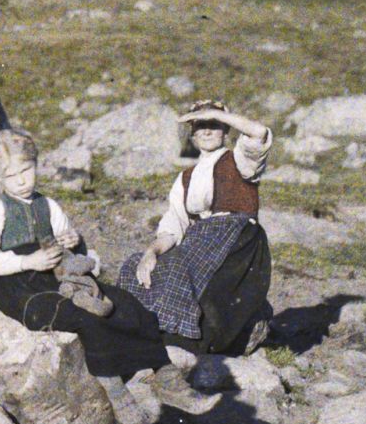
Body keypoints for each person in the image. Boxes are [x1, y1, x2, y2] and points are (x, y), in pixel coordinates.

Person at [0, 131, 218, 424]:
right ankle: (125, 413)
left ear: (36, 165)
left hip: (58, 275)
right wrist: (27, 261)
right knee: (86, 318)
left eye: (26, 170)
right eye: (11, 175)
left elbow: (76, 251)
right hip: (19, 286)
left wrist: (74, 242)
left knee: (127, 304)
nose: (21, 180)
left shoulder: (47, 204)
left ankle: (170, 381)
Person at [117, 101, 274, 357]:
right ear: (193, 133)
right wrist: (151, 253)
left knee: (179, 266)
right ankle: (138, 332)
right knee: (135, 265)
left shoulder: (240, 159)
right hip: (201, 238)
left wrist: (213, 112)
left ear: (226, 130)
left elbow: (259, 133)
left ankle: (180, 342)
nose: (207, 131)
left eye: (215, 125)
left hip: (237, 238)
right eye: (200, 126)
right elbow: (173, 226)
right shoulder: (185, 178)